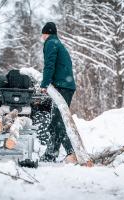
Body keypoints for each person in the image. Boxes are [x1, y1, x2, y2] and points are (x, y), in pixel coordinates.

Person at [40, 22, 77, 163]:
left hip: (63, 87)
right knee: (56, 122)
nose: (42, 36)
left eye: (42, 33)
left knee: (58, 122)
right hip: (65, 86)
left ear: (46, 33)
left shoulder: (51, 43)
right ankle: (50, 154)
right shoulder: (57, 43)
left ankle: (72, 152)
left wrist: (44, 84)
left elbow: (49, 64)